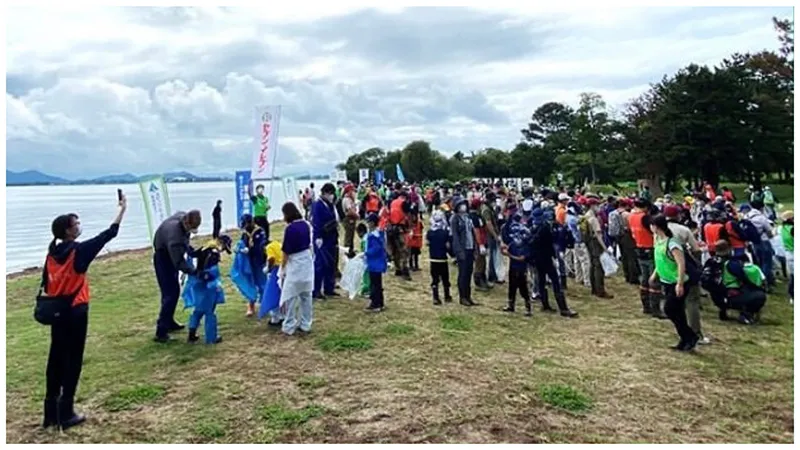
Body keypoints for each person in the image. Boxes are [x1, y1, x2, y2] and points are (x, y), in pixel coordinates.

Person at [41, 194, 127, 430]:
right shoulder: (77, 252)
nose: (79, 226)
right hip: (76, 312)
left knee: (55, 359)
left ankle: (50, 413)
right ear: (68, 231)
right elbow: (109, 234)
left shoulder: (51, 254)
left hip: (57, 313)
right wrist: (122, 209)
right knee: (73, 360)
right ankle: (66, 412)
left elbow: (47, 285)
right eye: (76, 223)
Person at [649, 214, 700, 352]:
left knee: (669, 309)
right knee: (678, 311)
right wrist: (655, 274)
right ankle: (685, 339)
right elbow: (659, 260)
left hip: (677, 282)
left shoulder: (672, 243)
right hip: (666, 280)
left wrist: (680, 283)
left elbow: (680, 263)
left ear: (656, 227)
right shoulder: (658, 240)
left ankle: (689, 336)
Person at [153, 210, 203, 343]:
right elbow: (179, 262)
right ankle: (161, 332)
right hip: (163, 258)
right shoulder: (175, 238)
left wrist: (193, 252)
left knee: (173, 291)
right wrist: (195, 272)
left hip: (168, 251)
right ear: (186, 223)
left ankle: (169, 321)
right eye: (192, 229)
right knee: (170, 294)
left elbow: (185, 242)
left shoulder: (182, 217)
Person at [664, 206, 709, 345]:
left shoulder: (659, 230)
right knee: (692, 301)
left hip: (667, 270)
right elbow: (696, 250)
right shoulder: (683, 230)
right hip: (684, 268)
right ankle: (696, 332)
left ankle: (683, 332)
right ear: (678, 216)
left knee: (675, 304)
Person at [530, 208, 579, 317]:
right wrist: (554, 257)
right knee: (556, 282)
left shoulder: (533, 227)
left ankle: (545, 304)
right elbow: (550, 242)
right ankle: (563, 308)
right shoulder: (545, 228)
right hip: (546, 258)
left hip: (537, 259)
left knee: (541, 281)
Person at [184, 235, 232, 345]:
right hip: (207, 285)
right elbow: (209, 271)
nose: (224, 250)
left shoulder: (205, 247)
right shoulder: (214, 253)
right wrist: (214, 281)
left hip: (196, 282)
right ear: (222, 243)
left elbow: (192, 254)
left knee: (198, 310)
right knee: (210, 311)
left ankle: (191, 335)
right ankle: (211, 338)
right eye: (225, 248)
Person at [710, 241, 767, 324]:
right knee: (760, 296)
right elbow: (744, 279)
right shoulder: (731, 264)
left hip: (717, 297)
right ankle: (746, 314)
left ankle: (723, 310)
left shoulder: (712, 262)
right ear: (729, 249)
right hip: (731, 295)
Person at [279, 202, 314, 336]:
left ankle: (289, 324)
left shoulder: (290, 229)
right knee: (306, 295)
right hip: (306, 260)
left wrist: (283, 268)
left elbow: (286, 251)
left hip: (295, 262)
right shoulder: (306, 224)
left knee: (290, 295)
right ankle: (306, 324)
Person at [629, 199, 663, 317]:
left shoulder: (631, 216)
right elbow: (655, 230)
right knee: (654, 278)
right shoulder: (645, 218)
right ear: (646, 207)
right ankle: (656, 309)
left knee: (644, 277)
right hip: (650, 248)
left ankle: (646, 306)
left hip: (639, 247)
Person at [311, 183, 340, 300]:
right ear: (325, 193)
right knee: (320, 264)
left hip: (331, 237)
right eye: (330, 193)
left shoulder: (330, 205)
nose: (332, 196)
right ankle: (316, 290)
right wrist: (318, 237)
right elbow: (316, 221)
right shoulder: (317, 205)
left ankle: (329, 287)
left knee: (331, 263)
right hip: (322, 238)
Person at [501, 214, 533, 316]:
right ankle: (511, 304)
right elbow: (505, 247)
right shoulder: (514, 243)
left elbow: (522, 258)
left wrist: (509, 254)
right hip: (513, 266)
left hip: (521, 268)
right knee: (512, 286)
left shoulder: (525, 245)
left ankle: (527, 307)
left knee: (523, 287)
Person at [582, 198, 613, 299]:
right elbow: (598, 235)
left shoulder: (585, 216)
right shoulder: (593, 219)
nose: (599, 208)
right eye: (597, 205)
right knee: (598, 267)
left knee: (593, 265)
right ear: (592, 206)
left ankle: (594, 289)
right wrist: (605, 248)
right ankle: (600, 290)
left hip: (588, 242)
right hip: (595, 243)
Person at [450, 198, 478, 306]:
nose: (463, 207)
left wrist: (475, 247)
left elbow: (472, 233)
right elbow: (455, 237)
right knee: (463, 273)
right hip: (462, 249)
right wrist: (459, 252)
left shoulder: (467, 218)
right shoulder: (455, 219)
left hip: (470, 248)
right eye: (461, 205)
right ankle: (463, 297)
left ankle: (468, 296)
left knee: (469, 273)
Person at [742, 202, 776, 289]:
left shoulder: (746, 218)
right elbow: (769, 230)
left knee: (759, 261)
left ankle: (764, 279)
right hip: (764, 241)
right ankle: (765, 281)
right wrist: (771, 237)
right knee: (767, 262)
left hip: (754, 242)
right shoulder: (761, 217)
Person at [427, 210, 452, 305]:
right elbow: (448, 246)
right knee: (445, 278)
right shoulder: (445, 232)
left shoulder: (430, 233)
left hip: (433, 258)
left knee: (435, 278)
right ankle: (447, 296)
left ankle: (435, 297)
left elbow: (428, 243)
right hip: (443, 258)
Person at [388, 187, 412, 280]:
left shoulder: (392, 202)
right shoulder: (404, 203)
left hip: (391, 228)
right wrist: (410, 228)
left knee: (395, 250)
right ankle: (404, 270)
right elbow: (409, 215)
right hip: (400, 229)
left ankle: (397, 269)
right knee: (404, 250)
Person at [364, 213, 387, 312]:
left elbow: (375, 249)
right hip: (378, 263)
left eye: (368, 222)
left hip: (374, 264)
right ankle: (380, 303)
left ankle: (375, 303)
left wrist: (366, 253)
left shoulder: (373, 236)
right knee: (378, 284)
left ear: (372, 223)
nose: (367, 224)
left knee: (374, 285)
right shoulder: (379, 234)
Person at [341, 184, 359, 257]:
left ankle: (351, 251)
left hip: (351, 219)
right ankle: (347, 251)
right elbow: (350, 211)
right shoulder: (347, 199)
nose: (353, 192)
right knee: (348, 236)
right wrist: (357, 215)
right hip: (349, 219)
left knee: (351, 235)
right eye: (352, 190)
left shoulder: (350, 199)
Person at [406, 206, 423, 272]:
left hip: (417, 241)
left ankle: (416, 266)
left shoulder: (419, 222)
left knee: (416, 255)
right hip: (410, 241)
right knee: (410, 254)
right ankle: (411, 266)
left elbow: (421, 229)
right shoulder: (408, 222)